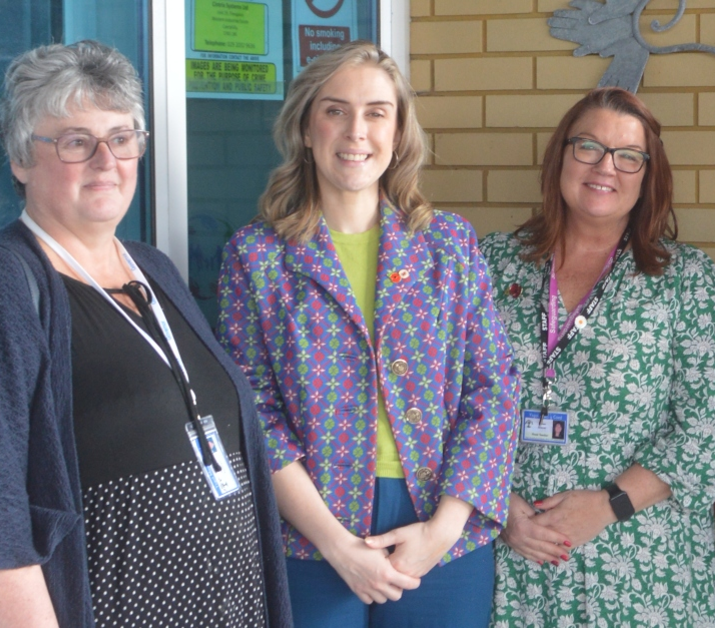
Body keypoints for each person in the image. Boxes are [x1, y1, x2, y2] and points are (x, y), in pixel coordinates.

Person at [0, 41, 291, 626]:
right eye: (74, 141)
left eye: (121, 137)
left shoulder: (153, 269)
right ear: (19, 159)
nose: (106, 159)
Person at [217, 40, 519, 627]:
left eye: (376, 112)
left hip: (439, 523)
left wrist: (443, 529)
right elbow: (249, 408)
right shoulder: (256, 257)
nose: (356, 131)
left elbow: (494, 388)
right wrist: (334, 543)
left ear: (399, 131)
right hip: (310, 530)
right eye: (335, 110)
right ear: (306, 128)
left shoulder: (448, 245)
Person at [482, 87, 715, 626]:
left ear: (648, 176)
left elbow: (713, 425)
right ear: (561, 154)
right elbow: (448, 397)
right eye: (588, 147)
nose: (606, 167)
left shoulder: (684, 282)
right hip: (510, 557)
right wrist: (494, 504)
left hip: (638, 563)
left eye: (628, 156)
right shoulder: (490, 264)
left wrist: (609, 504)